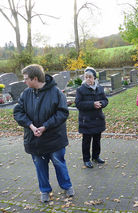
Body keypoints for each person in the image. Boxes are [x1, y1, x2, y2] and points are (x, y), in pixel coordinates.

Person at [13, 64, 74, 203]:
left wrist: (45, 126)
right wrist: (31, 125)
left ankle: (67, 186)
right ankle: (45, 190)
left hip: (54, 138)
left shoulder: (56, 92)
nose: (24, 81)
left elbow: (62, 112)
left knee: (59, 163)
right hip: (34, 139)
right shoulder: (26, 93)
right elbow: (18, 112)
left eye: (26, 78)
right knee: (40, 166)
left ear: (35, 78)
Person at [75, 67, 108, 168]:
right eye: (86, 77)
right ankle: (86, 159)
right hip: (86, 120)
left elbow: (105, 100)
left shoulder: (100, 88)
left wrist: (101, 103)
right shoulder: (80, 90)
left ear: (94, 78)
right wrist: (92, 104)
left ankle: (96, 156)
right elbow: (78, 104)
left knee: (97, 140)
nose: (88, 79)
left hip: (98, 119)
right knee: (86, 141)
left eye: (90, 77)